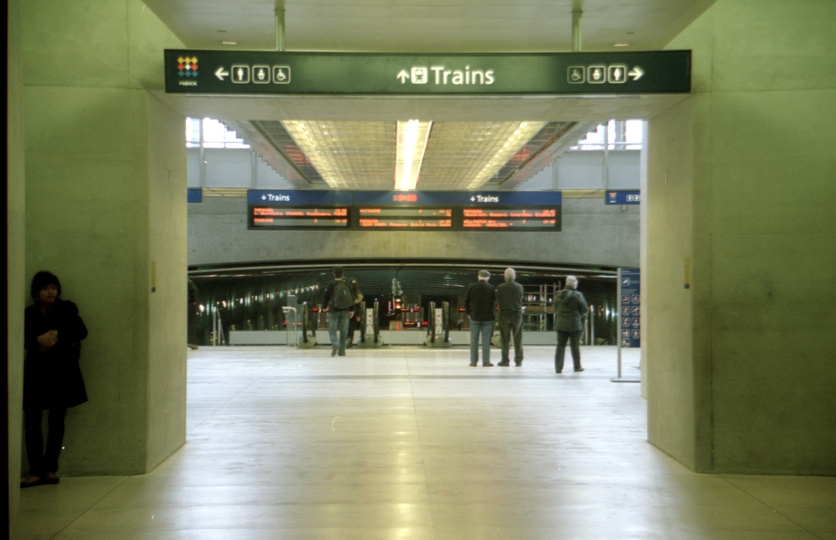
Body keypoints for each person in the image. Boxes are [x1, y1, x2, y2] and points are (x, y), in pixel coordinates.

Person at [22, 271, 89, 488]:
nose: (51, 292)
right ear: (36, 292)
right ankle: (35, 471)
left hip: (61, 372)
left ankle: (49, 469)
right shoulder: (28, 313)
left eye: (54, 287)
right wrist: (37, 339)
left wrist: (54, 335)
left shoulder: (66, 308)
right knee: (32, 421)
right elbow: (20, 337)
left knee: (56, 422)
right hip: (36, 373)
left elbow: (81, 331)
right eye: (45, 288)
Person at [554, 275, 589, 374]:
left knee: (560, 345)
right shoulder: (578, 295)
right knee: (574, 346)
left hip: (561, 325)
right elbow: (584, 309)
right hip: (574, 325)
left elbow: (555, 308)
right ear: (574, 284)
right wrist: (580, 314)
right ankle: (577, 367)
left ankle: (558, 368)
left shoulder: (558, 295)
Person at [464, 269, 496, 367]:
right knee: (486, 340)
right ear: (488, 279)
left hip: (474, 317)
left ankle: (473, 362)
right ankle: (486, 361)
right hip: (487, 318)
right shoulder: (491, 288)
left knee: (474, 340)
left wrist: (468, 313)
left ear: (478, 277)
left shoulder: (471, 287)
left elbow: (466, 301)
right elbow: (494, 303)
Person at [321, 266, 355, 357]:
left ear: (334, 274)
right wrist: (351, 309)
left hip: (333, 310)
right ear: (342, 274)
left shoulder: (331, 284)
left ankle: (335, 343)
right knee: (344, 331)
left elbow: (326, 296)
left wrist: (324, 307)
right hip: (345, 311)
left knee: (332, 330)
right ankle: (341, 351)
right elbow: (351, 297)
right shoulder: (346, 284)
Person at [495, 267, 525, 366]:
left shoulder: (500, 287)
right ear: (514, 276)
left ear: (505, 277)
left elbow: (498, 299)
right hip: (517, 314)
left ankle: (505, 360)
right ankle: (518, 360)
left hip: (504, 314)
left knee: (505, 338)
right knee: (518, 338)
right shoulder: (519, 287)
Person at [346, 278, 363, 348]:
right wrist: (359, 314)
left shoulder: (346, 292)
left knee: (345, 328)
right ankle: (348, 343)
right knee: (351, 329)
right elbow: (359, 305)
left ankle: (346, 342)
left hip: (345, 312)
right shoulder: (357, 294)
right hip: (354, 313)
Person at [187, 279, 199, 350]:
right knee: (191, 323)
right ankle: (191, 342)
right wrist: (194, 301)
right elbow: (194, 291)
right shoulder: (189, 282)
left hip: (179, 305)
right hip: (189, 304)